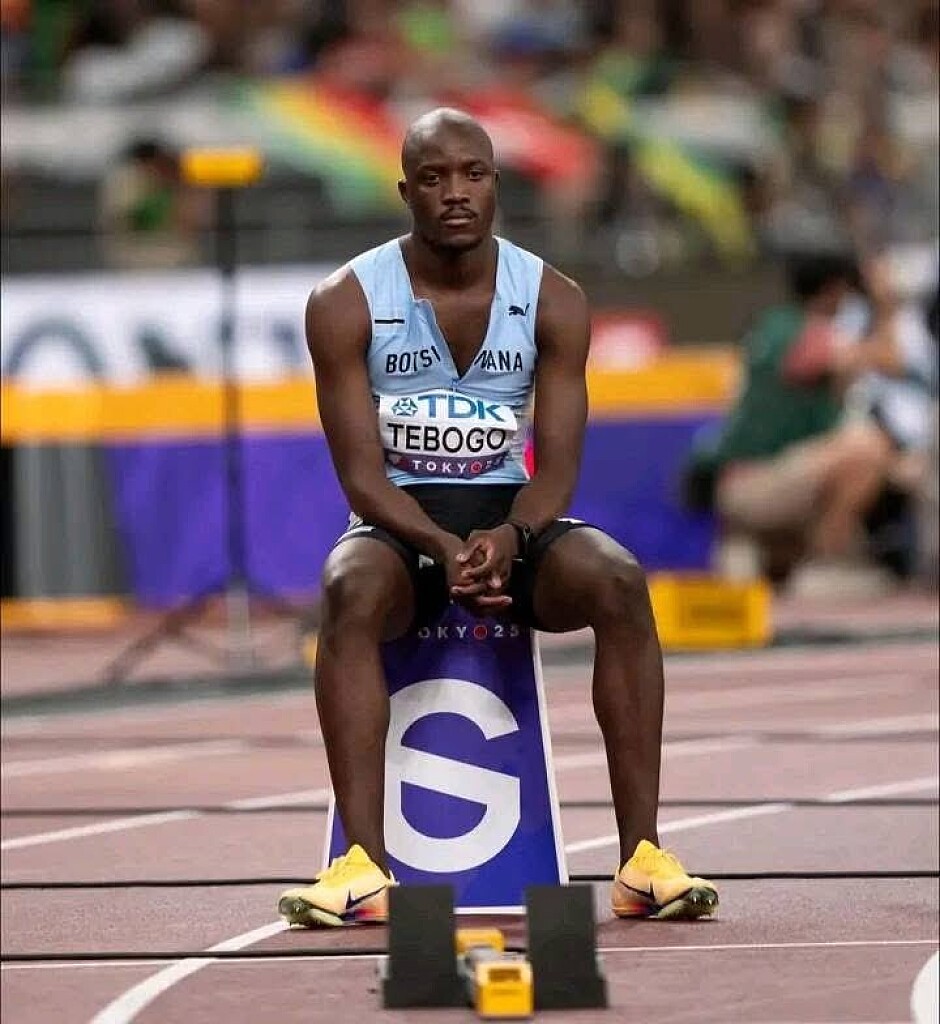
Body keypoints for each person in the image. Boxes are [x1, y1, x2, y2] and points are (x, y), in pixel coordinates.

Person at [278, 108, 718, 928]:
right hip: (400, 527)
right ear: (405, 192)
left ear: (496, 185)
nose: (456, 193)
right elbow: (361, 479)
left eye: (473, 175)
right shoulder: (345, 301)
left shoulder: (555, 299)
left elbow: (559, 472)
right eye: (434, 178)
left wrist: (511, 537)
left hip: (514, 522)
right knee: (346, 588)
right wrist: (441, 546)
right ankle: (361, 866)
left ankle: (642, 860)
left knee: (620, 581)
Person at [685, 252, 902, 583]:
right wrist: (885, 306)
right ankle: (824, 564)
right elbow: (891, 361)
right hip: (757, 485)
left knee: (857, 452)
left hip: (742, 481)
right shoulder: (812, 333)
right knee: (868, 449)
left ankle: (770, 555)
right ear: (834, 289)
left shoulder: (774, 324)